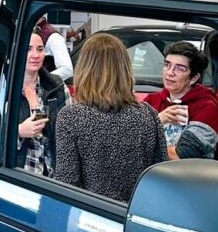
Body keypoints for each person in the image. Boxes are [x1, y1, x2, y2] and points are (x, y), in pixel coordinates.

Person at [53, 32, 168, 203]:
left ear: (84, 69)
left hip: (90, 218)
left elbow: (66, 183)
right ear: (125, 69)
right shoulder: (148, 114)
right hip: (135, 217)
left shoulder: (70, 117)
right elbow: (159, 179)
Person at [145, 41, 218, 160]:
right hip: (149, 174)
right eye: (167, 65)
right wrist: (157, 120)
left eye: (180, 69)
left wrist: (141, 147)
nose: (170, 73)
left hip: (186, 175)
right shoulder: (150, 100)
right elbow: (125, 140)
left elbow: (181, 155)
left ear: (194, 77)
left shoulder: (206, 106)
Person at [17, 30, 69, 175]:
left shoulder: (57, 86)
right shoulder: (2, 86)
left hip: (51, 178)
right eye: (28, 49)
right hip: (18, 176)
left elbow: (71, 127)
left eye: (40, 49)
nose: (35, 55)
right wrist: (19, 131)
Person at [36, 14, 74, 82]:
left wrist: (39, 80)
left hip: (43, 90)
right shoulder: (24, 32)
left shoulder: (54, 37)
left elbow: (67, 70)